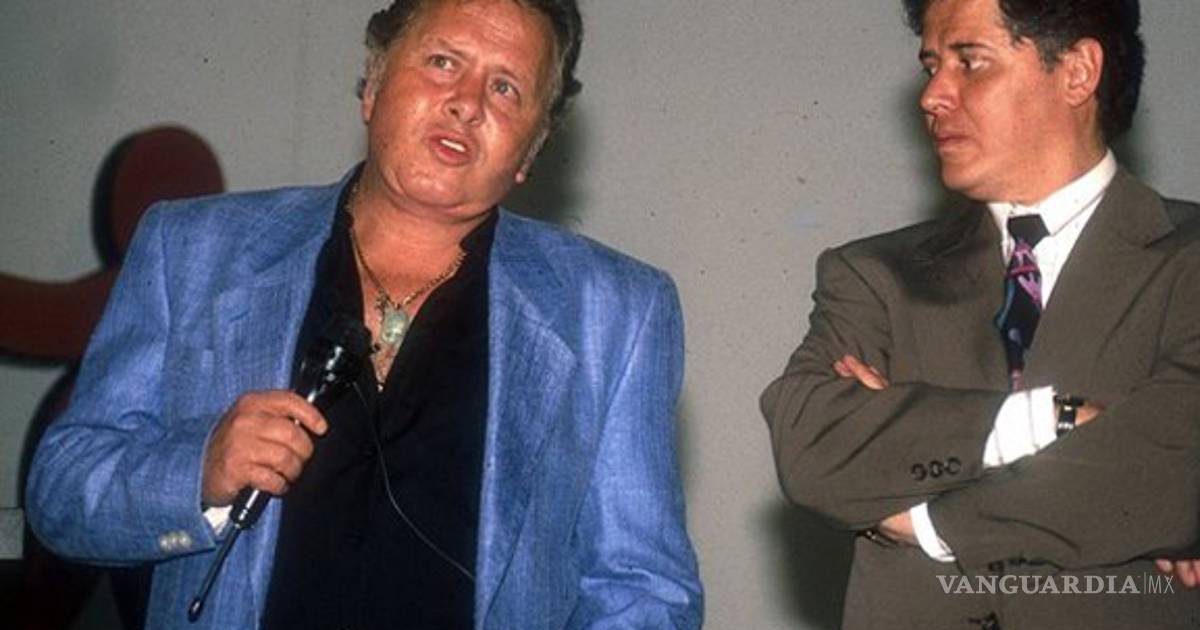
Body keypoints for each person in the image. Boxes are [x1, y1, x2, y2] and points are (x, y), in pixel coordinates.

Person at [25, 1, 704, 628]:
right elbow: (60, 494)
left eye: (505, 88)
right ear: (374, 84)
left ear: (532, 146)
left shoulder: (616, 312)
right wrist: (199, 469)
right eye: (443, 62)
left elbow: (645, 589)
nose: (467, 104)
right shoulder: (192, 249)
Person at [761, 0, 1200, 628]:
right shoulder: (871, 274)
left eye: (970, 62)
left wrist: (922, 519)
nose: (932, 95)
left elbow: (1177, 476)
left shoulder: (1188, 260)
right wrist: (1051, 420)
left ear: (1078, 71)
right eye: (931, 66)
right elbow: (810, 447)